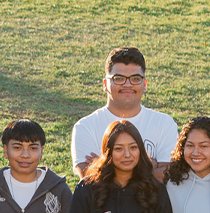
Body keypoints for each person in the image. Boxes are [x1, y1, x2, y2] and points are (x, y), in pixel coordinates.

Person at [69, 47, 177, 181]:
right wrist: (150, 165)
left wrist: (105, 165)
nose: (127, 84)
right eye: (119, 78)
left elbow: (167, 175)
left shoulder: (164, 123)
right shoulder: (86, 126)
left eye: (135, 78)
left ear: (144, 84)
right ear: (105, 84)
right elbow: (90, 179)